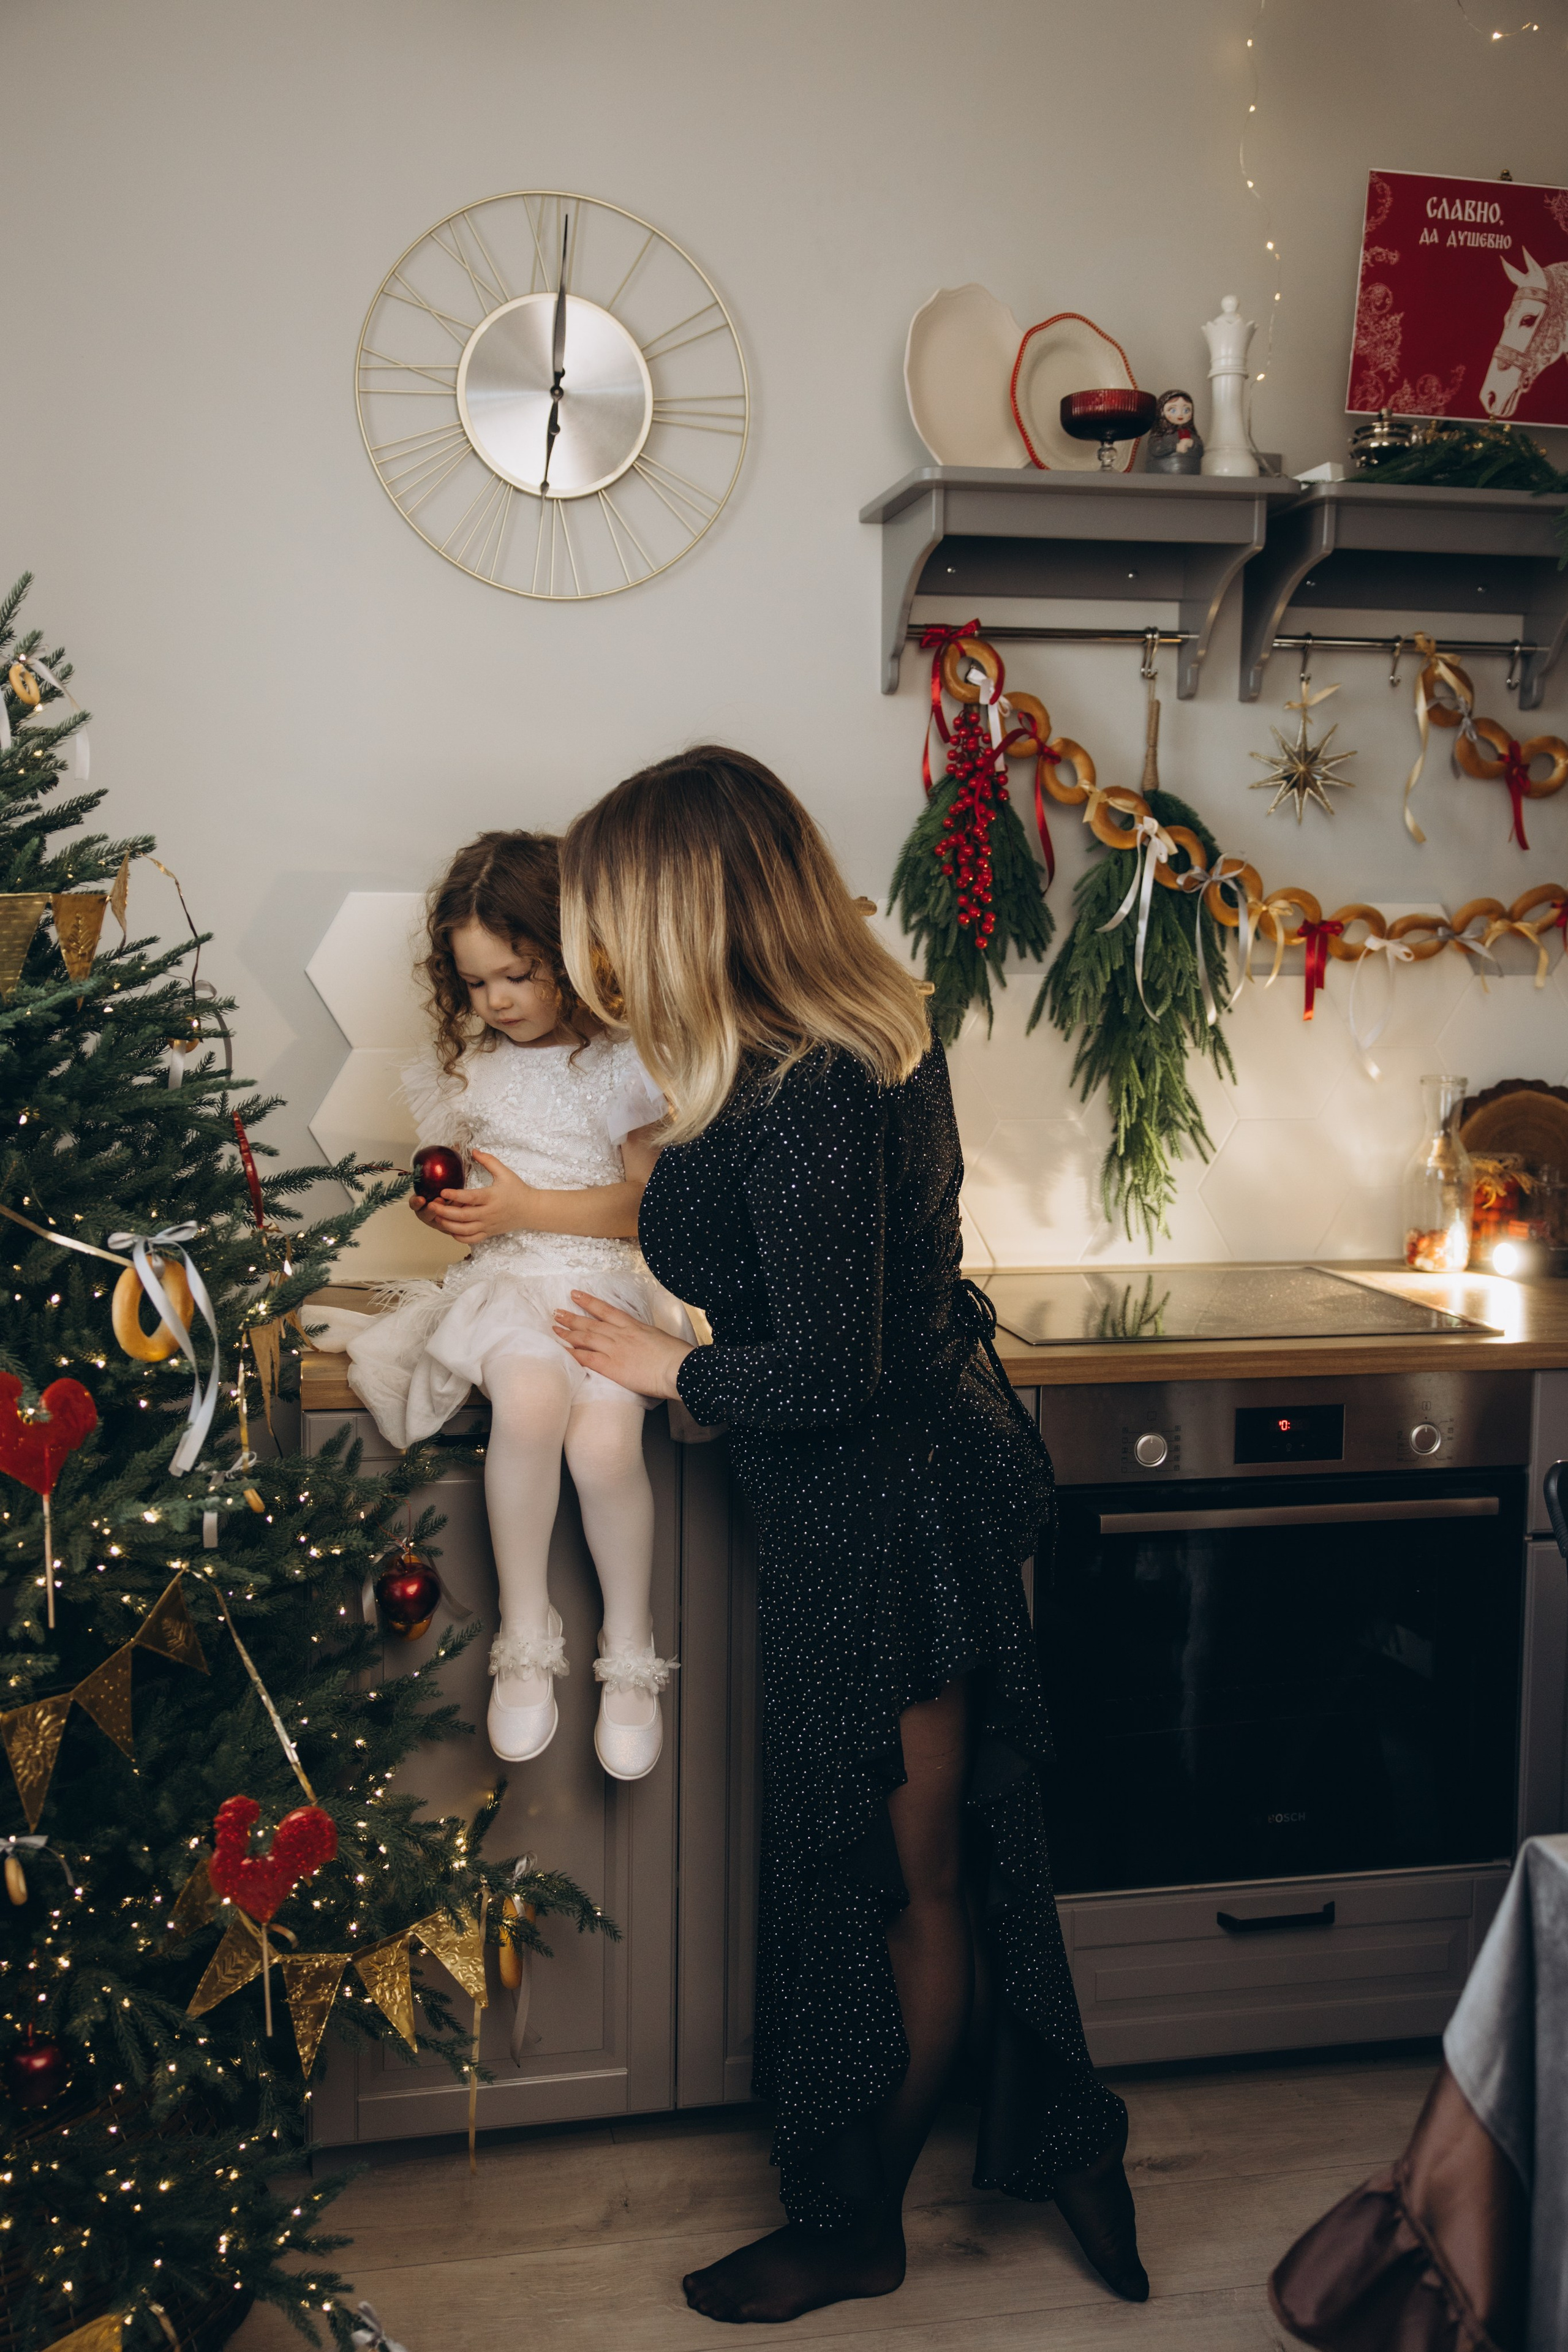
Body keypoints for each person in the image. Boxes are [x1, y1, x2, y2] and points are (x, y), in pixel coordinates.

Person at [552, 749, 1147, 2323]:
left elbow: (831, 1371)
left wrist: (671, 1369)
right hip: (880, 1503)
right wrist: (701, 1340)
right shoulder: (830, 1045)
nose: (596, 947)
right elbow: (833, 1311)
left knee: (900, 1877)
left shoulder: (809, 1081)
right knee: (932, 1860)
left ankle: (859, 2225)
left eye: (610, 913)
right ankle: (1056, 2139)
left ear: (684, 905)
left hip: (883, 1530)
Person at [325, 829, 684, 1781]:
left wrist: (525, 1206)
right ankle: (526, 1636)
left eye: (519, 975)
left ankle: (631, 1647)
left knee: (604, 1448)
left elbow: (645, 1207)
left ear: (575, 955)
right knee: (527, 1402)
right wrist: (461, 1211)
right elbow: (478, 1194)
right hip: (512, 1283)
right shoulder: (469, 1071)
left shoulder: (624, 1063)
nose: (497, 1001)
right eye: (476, 982)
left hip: (605, 1281)